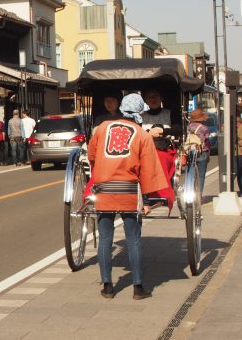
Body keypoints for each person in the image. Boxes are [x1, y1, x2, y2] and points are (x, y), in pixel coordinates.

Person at [88, 93, 168, 300]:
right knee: (133, 238)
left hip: (104, 189)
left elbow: (92, 156)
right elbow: (148, 169)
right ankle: (138, 288)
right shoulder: (142, 134)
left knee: (105, 238)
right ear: (140, 111)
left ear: (122, 108)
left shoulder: (103, 128)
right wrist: (148, 200)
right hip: (129, 191)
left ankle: (107, 286)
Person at [187, 109, 210, 193]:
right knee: (201, 175)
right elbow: (207, 142)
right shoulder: (204, 128)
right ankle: (198, 195)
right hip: (202, 152)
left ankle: (190, 192)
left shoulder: (188, 127)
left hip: (191, 151)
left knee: (191, 174)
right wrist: (208, 154)